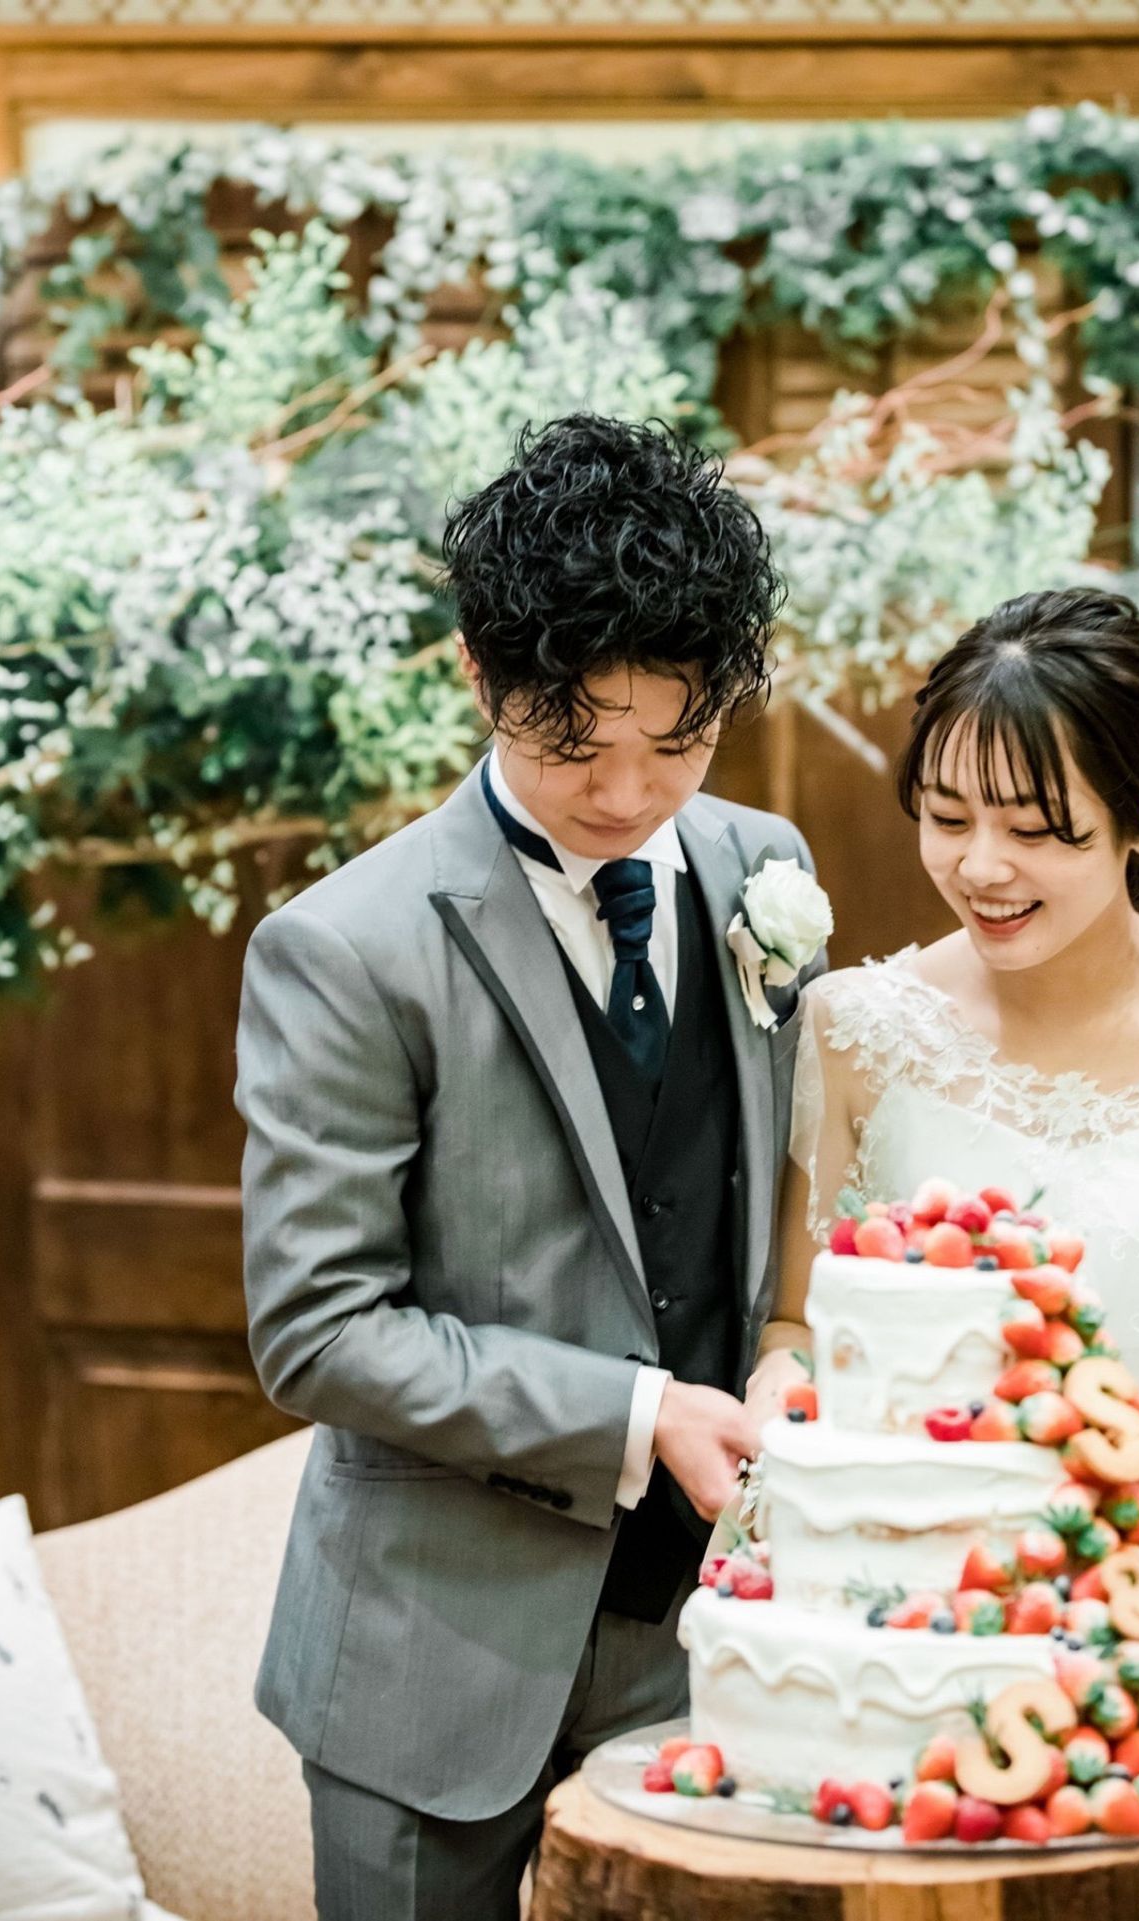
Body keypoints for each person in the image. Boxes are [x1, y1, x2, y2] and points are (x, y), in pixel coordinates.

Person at [235, 413, 826, 1920]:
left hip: (710, 1643)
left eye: (677, 743)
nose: (627, 795)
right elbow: (318, 1330)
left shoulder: (765, 869)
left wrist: (788, 1344)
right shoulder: (346, 948)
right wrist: (637, 1414)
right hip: (429, 1668)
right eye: (575, 744)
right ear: (479, 675)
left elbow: (789, 1192)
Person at [751, 585, 1139, 1542]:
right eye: (948, 818)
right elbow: (801, 1320)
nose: (981, 867)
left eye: (1032, 830)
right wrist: (782, 1380)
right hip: (936, 1566)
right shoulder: (856, 1030)